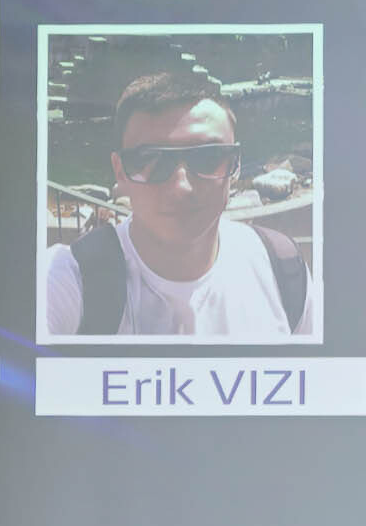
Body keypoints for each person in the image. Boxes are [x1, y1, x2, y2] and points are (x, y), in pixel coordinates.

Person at [43, 71, 319, 338]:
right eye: (151, 159)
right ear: (120, 172)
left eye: (208, 157)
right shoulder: (68, 278)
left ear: (235, 165)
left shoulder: (282, 269)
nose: (181, 187)